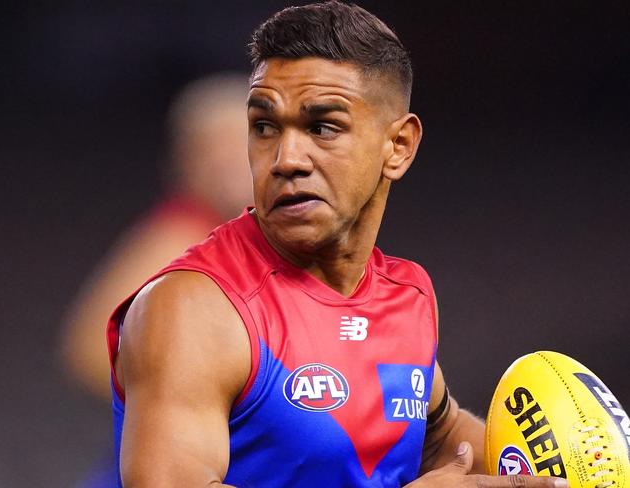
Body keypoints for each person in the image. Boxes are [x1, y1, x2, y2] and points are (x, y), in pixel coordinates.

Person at [107, 2, 569, 487]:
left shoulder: (405, 294)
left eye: (322, 127)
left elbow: (440, 435)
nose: (286, 159)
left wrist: (566, 472)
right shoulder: (195, 307)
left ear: (399, 147)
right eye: (264, 127)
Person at [61, 73, 252, 401]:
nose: (226, 162)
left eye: (241, 144)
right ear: (183, 164)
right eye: (210, 149)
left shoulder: (267, 238)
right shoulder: (182, 234)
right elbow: (92, 349)